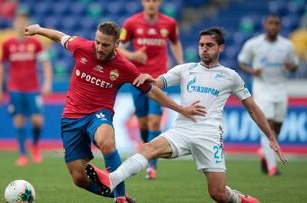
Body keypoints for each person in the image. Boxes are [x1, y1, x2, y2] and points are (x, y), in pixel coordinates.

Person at [85, 27, 288, 203]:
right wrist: (149, 78)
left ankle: (238, 198)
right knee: (148, 147)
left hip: (209, 135)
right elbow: (158, 82)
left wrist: (270, 136)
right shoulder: (186, 69)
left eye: (209, 45)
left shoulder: (231, 76)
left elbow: (252, 107)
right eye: (201, 45)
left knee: (218, 194)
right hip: (182, 129)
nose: (204, 49)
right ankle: (112, 180)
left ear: (220, 48)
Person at [23, 21, 205, 203]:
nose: (100, 48)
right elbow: (58, 35)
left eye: (106, 45)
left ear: (117, 45)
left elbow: (152, 91)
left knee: (107, 141)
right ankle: (121, 195)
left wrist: (181, 109)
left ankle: (119, 199)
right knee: (79, 178)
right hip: (71, 118)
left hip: (98, 115)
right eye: (98, 42)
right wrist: (38, 30)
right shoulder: (81, 46)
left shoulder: (124, 67)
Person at [119, 0, 184, 180]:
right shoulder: (131, 23)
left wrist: (181, 64)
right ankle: (146, 150)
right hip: (137, 79)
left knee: (155, 122)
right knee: (143, 124)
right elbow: (119, 49)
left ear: (160, 2)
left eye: (155, 0)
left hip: (158, 80)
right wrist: (133, 56)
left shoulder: (169, 23)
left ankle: (152, 165)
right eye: (148, 0)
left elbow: (175, 43)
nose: (151, 3)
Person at [238, 14, 298, 176]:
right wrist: (252, 71)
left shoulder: (287, 45)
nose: (273, 26)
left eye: (276, 24)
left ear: (279, 26)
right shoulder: (254, 44)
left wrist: (290, 66)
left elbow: (295, 66)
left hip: (280, 89)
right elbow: (241, 62)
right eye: (271, 23)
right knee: (268, 127)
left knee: (277, 127)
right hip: (262, 89)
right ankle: (272, 167)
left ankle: (264, 151)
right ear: (265, 25)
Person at [0, 11, 52, 167]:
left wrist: (47, 82)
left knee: (37, 121)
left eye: (23, 22)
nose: (20, 25)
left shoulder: (35, 43)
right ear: (14, 24)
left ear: (27, 24)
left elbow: (45, 63)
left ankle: (35, 146)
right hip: (15, 88)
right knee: (19, 120)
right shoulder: (7, 44)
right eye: (18, 22)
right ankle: (22, 155)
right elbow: (1, 67)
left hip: (33, 88)